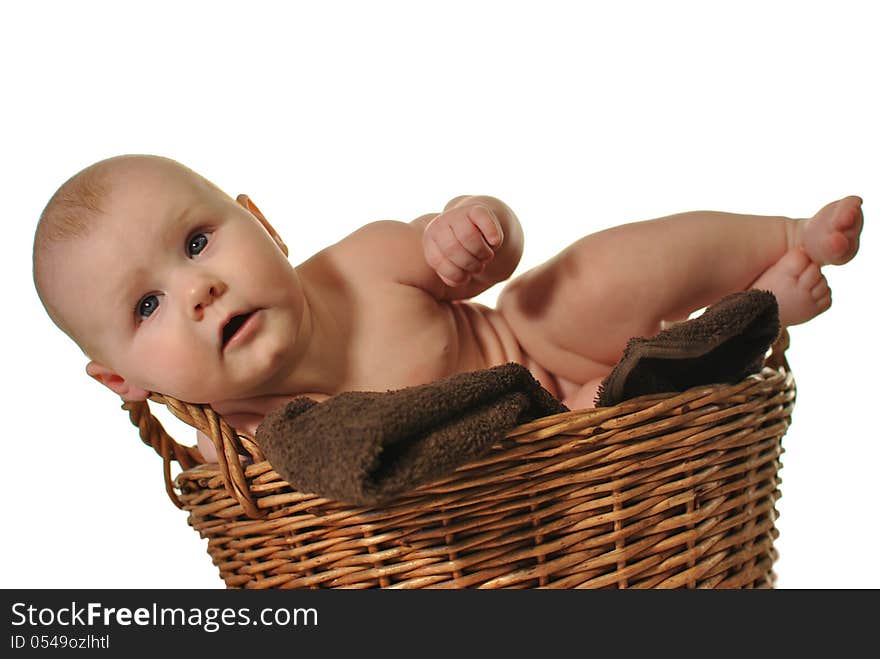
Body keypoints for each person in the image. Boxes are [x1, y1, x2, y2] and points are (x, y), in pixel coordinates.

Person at [32, 155, 863, 462]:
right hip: (558, 449)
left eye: (200, 242)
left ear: (264, 224)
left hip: (546, 351)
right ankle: (754, 317)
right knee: (655, 379)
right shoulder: (251, 441)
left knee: (566, 286)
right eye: (147, 305)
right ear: (121, 379)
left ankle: (781, 238)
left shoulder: (357, 267)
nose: (197, 290)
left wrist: (476, 230)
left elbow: (474, 258)